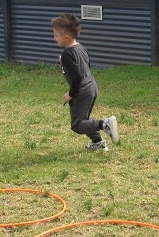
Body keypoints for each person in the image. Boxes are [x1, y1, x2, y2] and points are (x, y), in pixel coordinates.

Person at [51, 14, 120, 151]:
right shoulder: (80, 48)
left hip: (81, 90)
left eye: (55, 35)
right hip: (91, 86)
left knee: (77, 125)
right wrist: (63, 60)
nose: (54, 38)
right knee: (85, 119)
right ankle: (97, 142)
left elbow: (76, 78)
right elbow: (85, 64)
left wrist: (70, 94)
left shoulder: (67, 55)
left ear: (66, 37)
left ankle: (104, 124)